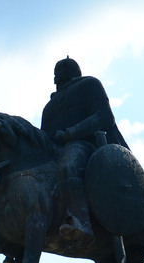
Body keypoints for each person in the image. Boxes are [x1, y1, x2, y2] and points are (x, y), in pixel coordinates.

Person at [39, 56, 129, 245]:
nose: (58, 75)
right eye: (56, 71)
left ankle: (81, 222)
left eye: (61, 70)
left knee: (68, 166)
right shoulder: (49, 108)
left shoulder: (89, 84)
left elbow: (104, 117)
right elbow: (44, 138)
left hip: (86, 146)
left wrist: (71, 133)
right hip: (55, 152)